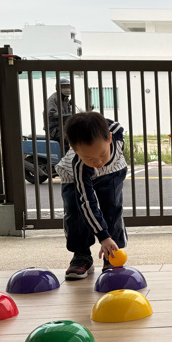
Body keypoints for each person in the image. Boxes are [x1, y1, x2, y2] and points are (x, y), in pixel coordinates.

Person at [57, 112, 128, 280]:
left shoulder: (116, 132)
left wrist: (107, 238)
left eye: (102, 154)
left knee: (112, 208)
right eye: (89, 158)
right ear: (74, 149)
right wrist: (103, 236)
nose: (98, 162)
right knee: (76, 213)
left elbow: (104, 156)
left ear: (110, 138)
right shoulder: (80, 166)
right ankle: (81, 255)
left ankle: (112, 253)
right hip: (74, 179)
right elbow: (87, 203)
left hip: (113, 171)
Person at [45, 77, 75, 147]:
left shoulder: (65, 99)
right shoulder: (53, 99)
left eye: (68, 87)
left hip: (63, 127)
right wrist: (70, 116)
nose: (67, 89)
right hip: (55, 129)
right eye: (64, 87)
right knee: (73, 137)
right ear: (58, 88)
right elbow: (52, 115)